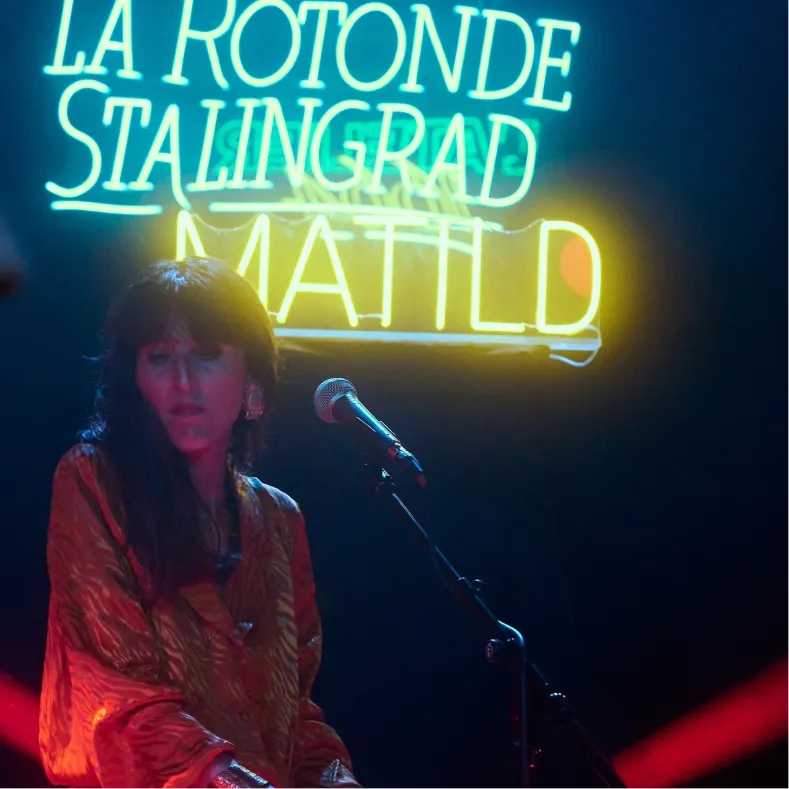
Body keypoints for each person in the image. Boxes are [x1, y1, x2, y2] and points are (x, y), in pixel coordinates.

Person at [39, 257, 360, 788]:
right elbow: (117, 691)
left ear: (251, 380)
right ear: (133, 378)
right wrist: (227, 776)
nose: (183, 381)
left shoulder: (279, 519)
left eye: (207, 355)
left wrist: (334, 778)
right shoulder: (92, 481)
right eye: (159, 357)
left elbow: (296, 717)